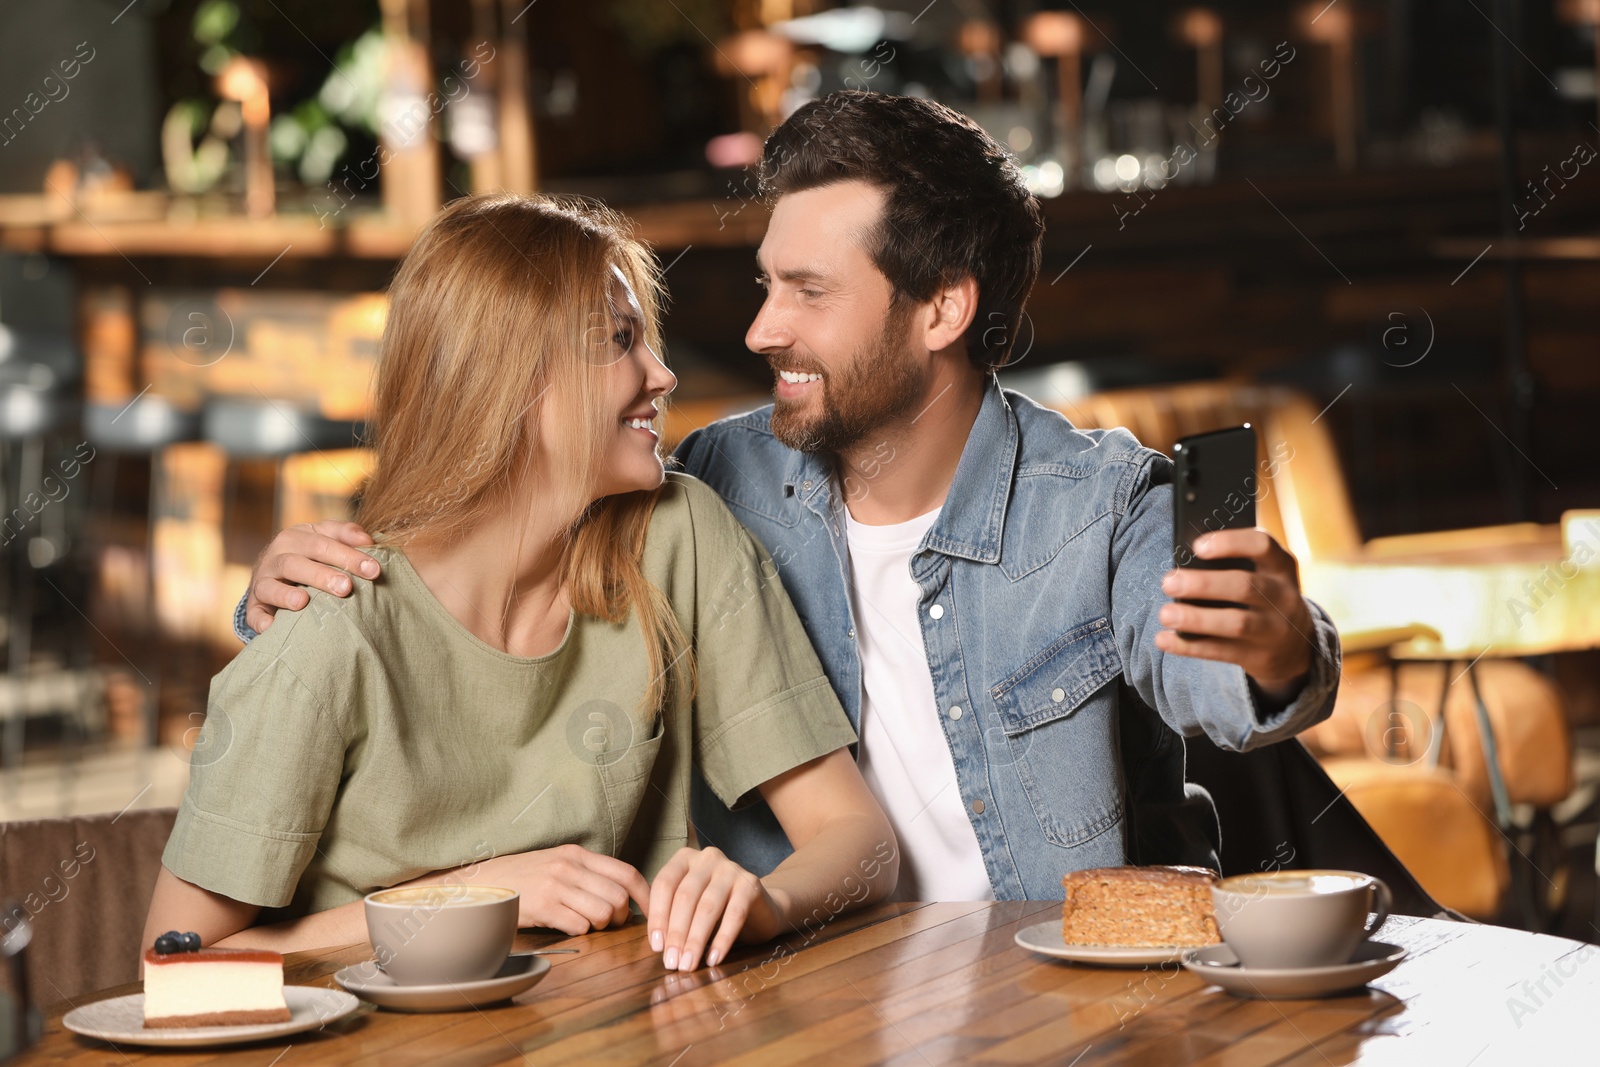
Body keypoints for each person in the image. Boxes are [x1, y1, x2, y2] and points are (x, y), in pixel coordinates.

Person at [237, 92, 1341, 902]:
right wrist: (303, 587)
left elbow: (1216, 672)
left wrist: (1279, 646)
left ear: (941, 310)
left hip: (1062, 1006)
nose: (762, 328)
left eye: (808, 292)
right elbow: (490, 546)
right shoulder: (711, 486)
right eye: (768, 283)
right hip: (803, 1000)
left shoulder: (1098, 506)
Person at [145, 193, 897, 974]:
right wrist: (469, 895)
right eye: (617, 341)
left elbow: (861, 841)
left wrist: (763, 900)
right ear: (509, 379)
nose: (662, 374)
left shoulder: (681, 533)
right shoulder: (330, 623)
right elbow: (173, 962)